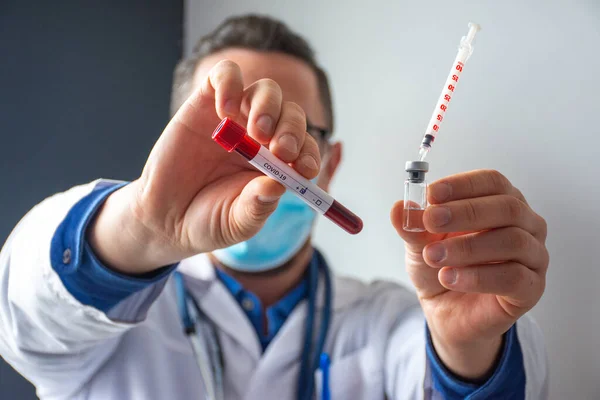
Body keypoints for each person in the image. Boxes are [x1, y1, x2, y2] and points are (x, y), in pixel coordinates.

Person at [0, 14, 549, 400]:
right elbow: (22, 310)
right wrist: (143, 225)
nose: (260, 165)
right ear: (170, 151)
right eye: (232, 137)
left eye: (295, 136)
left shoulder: (389, 326)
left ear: (329, 165)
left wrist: (467, 351)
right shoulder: (100, 329)